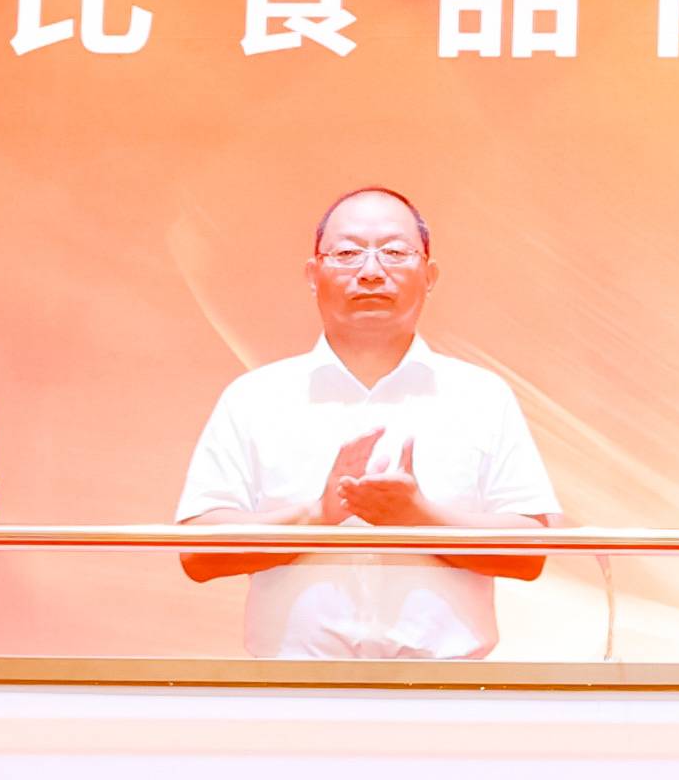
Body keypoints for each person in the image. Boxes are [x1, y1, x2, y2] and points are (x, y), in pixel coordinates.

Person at [175, 187, 559, 659]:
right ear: (313, 275)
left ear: (429, 275)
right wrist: (316, 516)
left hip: (447, 689)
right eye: (348, 253)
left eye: (395, 252)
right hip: (294, 688)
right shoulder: (254, 397)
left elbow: (530, 552)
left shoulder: (482, 396)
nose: (372, 271)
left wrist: (417, 517)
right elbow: (197, 553)